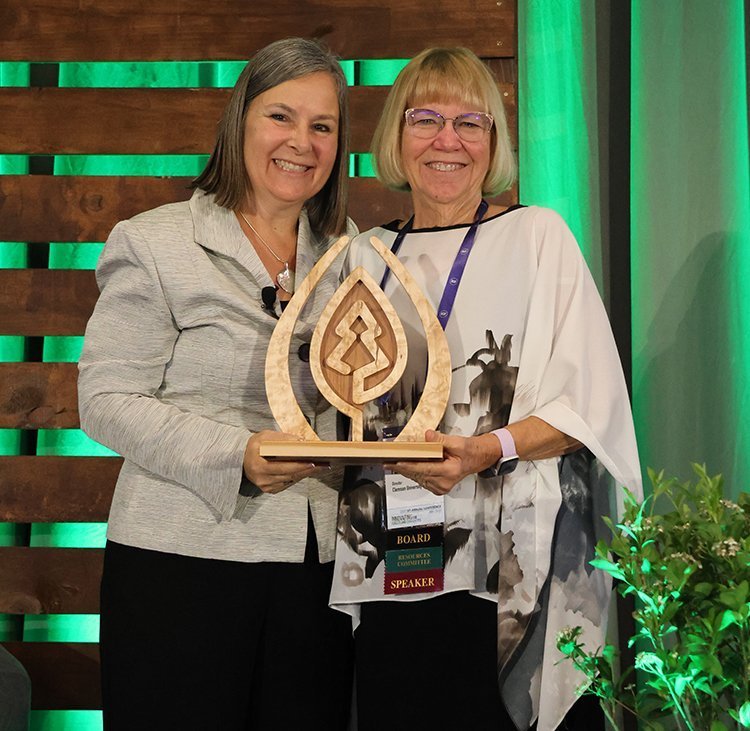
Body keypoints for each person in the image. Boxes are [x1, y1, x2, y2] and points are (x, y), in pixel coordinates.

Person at [329, 47, 642, 731]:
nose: (448, 140)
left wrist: (485, 449)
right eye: (426, 119)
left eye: (470, 122)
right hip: (394, 564)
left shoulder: (537, 237)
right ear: (397, 135)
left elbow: (589, 409)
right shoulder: (364, 256)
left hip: (512, 571)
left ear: (493, 142)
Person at [78, 38, 356, 730]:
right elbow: (105, 402)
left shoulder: (352, 251)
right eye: (280, 116)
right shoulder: (154, 242)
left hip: (315, 572)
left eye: (322, 126)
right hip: (180, 564)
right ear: (240, 121)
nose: (301, 142)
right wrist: (238, 455)